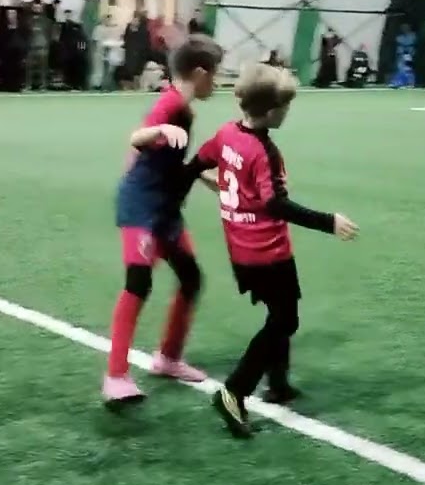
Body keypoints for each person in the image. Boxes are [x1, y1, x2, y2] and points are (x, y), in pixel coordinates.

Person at [181, 64, 358, 438]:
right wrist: (330, 221)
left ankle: (278, 384)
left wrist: (189, 184)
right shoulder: (265, 151)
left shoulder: (228, 133)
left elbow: (199, 162)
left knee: (282, 311)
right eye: (286, 107)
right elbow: (275, 204)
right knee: (285, 320)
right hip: (268, 250)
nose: (287, 113)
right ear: (273, 110)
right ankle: (234, 390)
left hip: (240, 251)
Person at [102, 35, 223, 408]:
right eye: (215, 76)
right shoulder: (170, 103)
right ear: (200, 73)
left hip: (165, 207)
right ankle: (116, 375)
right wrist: (156, 132)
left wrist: (201, 177)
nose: (216, 84)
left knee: (191, 277)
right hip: (142, 207)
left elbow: (164, 160)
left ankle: (168, 358)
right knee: (138, 283)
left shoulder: (185, 110)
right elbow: (138, 138)